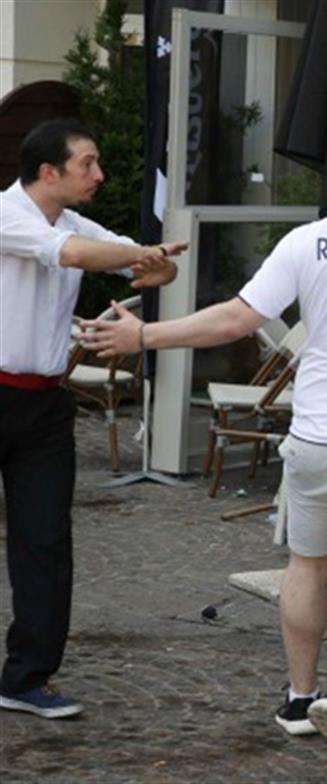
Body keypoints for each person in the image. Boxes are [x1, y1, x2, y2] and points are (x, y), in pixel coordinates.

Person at [80, 113, 327, 783]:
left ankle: (299, 698)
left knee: (307, 565)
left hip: (316, 436)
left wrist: (145, 338)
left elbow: (236, 319)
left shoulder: (307, 241)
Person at [0, 119, 183, 720]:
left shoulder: (75, 222)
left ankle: (26, 677)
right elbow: (79, 255)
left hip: (46, 405)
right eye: (88, 164)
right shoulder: (7, 215)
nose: (99, 175)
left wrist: (158, 267)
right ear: (47, 172)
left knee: (46, 541)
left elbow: (139, 266)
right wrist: (142, 255)